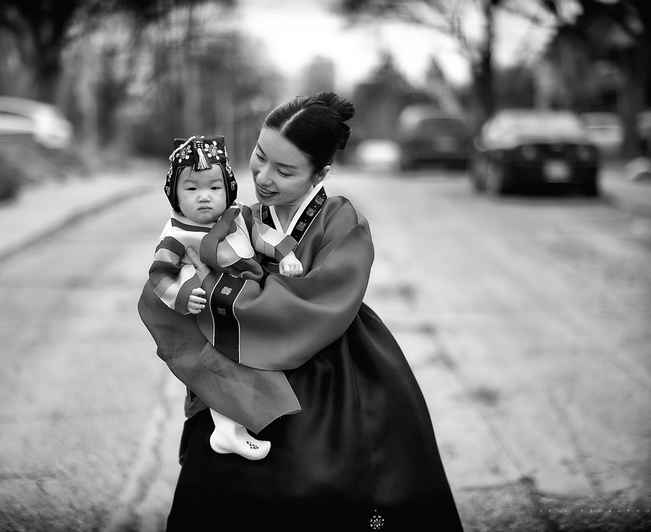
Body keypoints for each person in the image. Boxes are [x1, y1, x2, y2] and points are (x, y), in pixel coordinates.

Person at [139, 93, 464, 531]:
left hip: (331, 363)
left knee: (337, 494)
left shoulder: (341, 222)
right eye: (259, 156)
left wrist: (215, 290)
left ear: (322, 172)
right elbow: (169, 281)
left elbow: (313, 305)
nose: (264, 177)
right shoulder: (236, 217)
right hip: (242, 367)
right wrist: (180, 285)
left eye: (285, 170)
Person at [138, 135, 303, 461]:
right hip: (209, 307)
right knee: (223, 366)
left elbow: (264, 236)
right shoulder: (176, 234)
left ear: (228, 188)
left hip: (248, 299)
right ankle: (228, 428)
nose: (204, 197)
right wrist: (182, 297)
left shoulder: (239, 216)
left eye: (214, 188)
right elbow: (159, 275)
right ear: (174, 194)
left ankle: (236, 427)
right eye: (191, 189)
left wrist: (286, 254)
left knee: (253, 361)